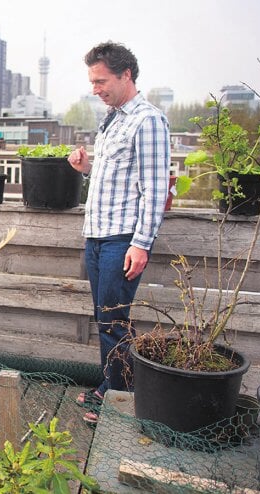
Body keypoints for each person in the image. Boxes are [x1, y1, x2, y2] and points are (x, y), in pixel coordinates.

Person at [67, 41, 170, 425]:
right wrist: (86, 169)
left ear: (126, 75)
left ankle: (118, 404)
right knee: (105, 319)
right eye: (92, 82)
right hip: (97, 235)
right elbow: (116, 182)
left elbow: (155, 190)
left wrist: (141, 244)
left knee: (113, 320)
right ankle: (108, 387)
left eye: (101, 81)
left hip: (121, 240)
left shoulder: (148, 120)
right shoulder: (112, 119)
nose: (95, 89)